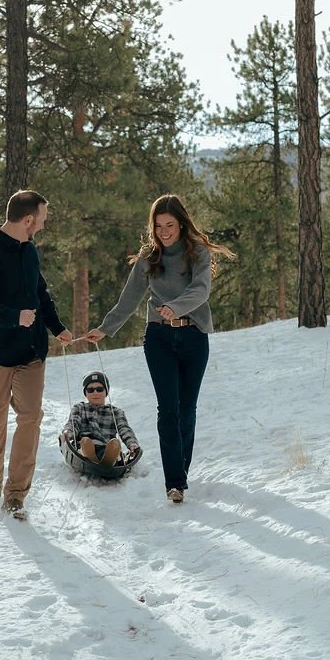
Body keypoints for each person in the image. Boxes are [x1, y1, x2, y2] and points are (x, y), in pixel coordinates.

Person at [87, 194, 231, 504]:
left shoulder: (198, 253)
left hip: (194, 337)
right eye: (158, 225)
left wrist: (176, 307)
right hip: (159, 339)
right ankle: (174, 483)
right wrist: (105, 328)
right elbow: (129, 299)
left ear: (181, 224)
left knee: (186, 410)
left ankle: (181, 473)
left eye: (170, 225)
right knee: (168, 409)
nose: (164, 231)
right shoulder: (148, 258)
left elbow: (201, 290)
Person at [0, 189, 72, 517]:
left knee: (30, 419)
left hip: (30, 352)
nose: (42, 226)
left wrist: (57, 327)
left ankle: (16, 495)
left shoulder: (30, 251)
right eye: (41, 221)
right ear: (27, 220)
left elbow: (40, 293)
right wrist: (12, 316)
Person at [60, 368, 141, 468]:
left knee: (113, 446)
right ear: (86, 393)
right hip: (84, 446)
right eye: (90, 390)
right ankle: (90, 458)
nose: (95, 393)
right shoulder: (80, 408)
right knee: (85, 443)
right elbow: (73, 423)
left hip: (106, 447)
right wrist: (68, 433)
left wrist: (132, 444)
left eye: (99, 389)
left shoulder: (115, 412)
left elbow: (124, 429)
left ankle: (109, 460)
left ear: (106, 391)